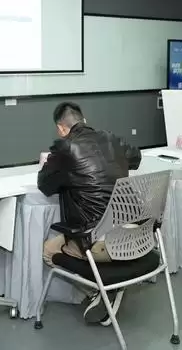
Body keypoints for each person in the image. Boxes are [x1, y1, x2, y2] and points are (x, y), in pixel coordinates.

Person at [38, 102, 141, 323]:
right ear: (84, 121)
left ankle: (101, 291)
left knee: (48, 250)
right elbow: (136, 158)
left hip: (99, 242)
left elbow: (45, 185)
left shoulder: (65, 149)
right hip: (136, 235)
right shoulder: (112, 139)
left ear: (61, 129)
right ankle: (109, 289)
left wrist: (50, 164)